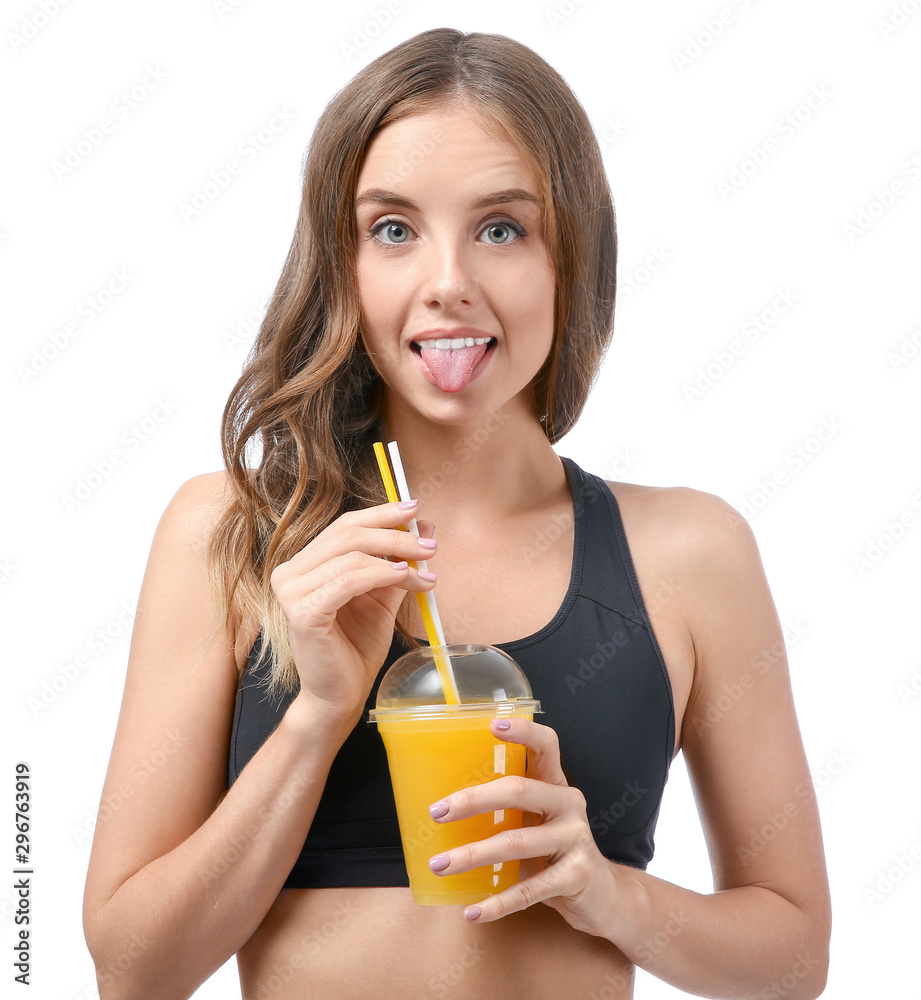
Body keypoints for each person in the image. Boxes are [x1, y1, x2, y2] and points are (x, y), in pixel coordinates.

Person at [82, 27, 831, 1000]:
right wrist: (318, 715)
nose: (448, 281)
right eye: (394, 229)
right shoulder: (229, 533)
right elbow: (133, 973)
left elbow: (793, 960)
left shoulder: (689, 553)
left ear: (572, 258)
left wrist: (604, 892)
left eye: (502, 227)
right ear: (343, 264)